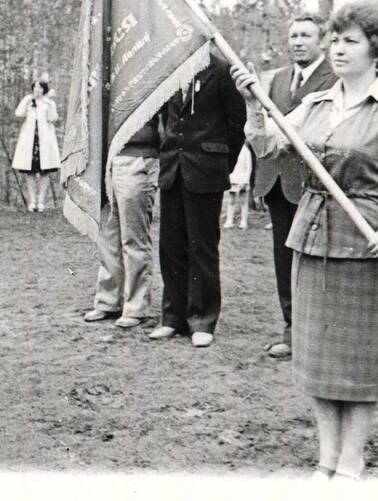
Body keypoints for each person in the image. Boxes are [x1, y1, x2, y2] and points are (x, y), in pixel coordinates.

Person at [232, 0, 378, 479]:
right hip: (313, 236)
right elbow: (267, 146)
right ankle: (326, 455)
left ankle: (352, 458)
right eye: (336, 39)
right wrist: (251, 104)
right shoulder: (316, 104)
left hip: (369, 242)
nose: (338, 48)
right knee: (319, 355)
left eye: (351, 40)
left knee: (361, 357)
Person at [253, 15, 338, 359]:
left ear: (323, 41)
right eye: (293, 36)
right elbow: (264, 129)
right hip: (276, 181)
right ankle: (291, 331)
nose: (298, 42)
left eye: (306, 35)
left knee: (315, 261)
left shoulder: (334, 78)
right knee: (283, 259)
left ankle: (319, 333)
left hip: (313, 184)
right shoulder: (278, 79)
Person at [150, 53, 247, 348]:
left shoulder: (221, 69)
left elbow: (237, 122)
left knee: (202, 247)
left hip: (206, 171)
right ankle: (172, 318)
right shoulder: (171, 67)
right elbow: (164, 120)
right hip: (172, 171)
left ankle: (202, 320)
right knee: (171, 246)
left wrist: (219, 163)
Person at [83, 117, 160, 328]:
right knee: (107, 236)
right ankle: (109, 301)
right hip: (105, 158)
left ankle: (136, 306)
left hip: (138, 155)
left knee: (133, 237)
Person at [12, 77, 60, 212]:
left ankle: (41, 202)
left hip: (44, 141)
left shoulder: (48, 103)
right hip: (30, 141)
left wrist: (49, 103)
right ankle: (32, 201)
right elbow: (19, 113)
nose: (37, 90)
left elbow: (52, 118)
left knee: (45, 172)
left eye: (40, 87)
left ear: (44, 90)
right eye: (35, 87)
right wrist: (26, 100)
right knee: (30, 172)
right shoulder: (28, 101)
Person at [223, 144, 253, 230]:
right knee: (231, 201)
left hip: (243, 180)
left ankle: (243, 222)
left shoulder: (246, 151)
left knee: (243, 201)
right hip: (233, 179)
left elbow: (249, 168)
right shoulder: (232, 148)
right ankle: (229, 221)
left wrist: (246, 181)